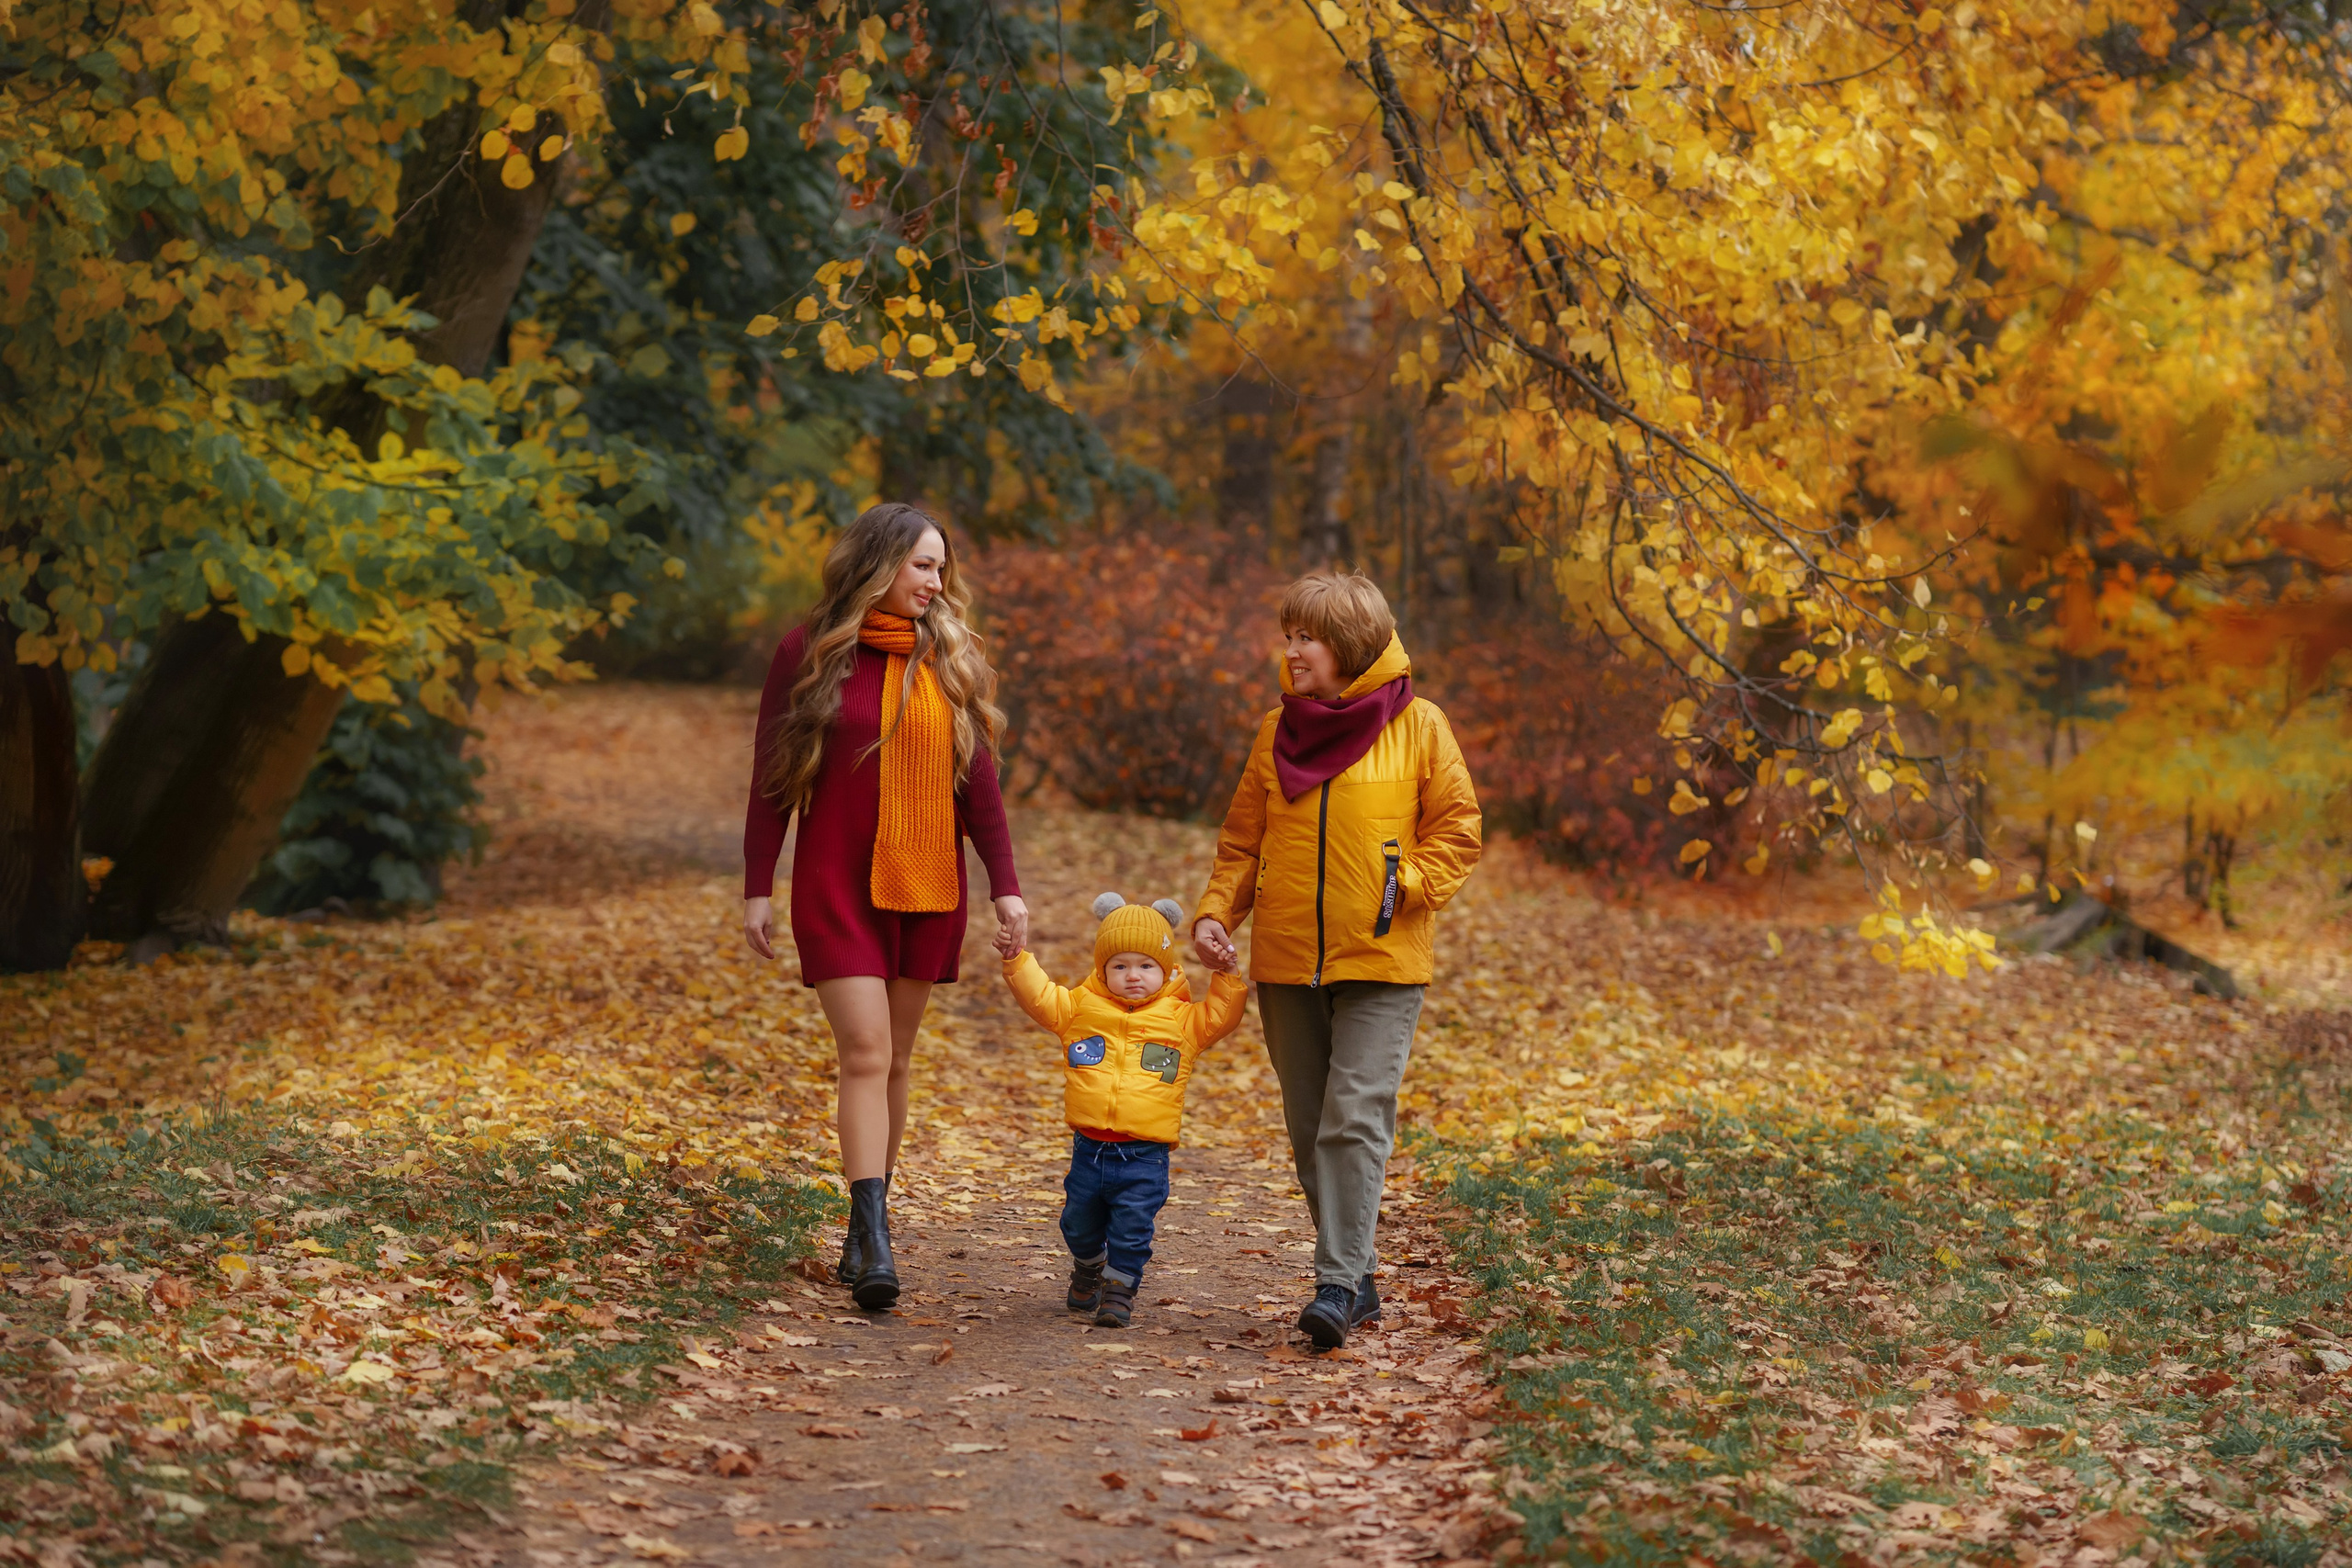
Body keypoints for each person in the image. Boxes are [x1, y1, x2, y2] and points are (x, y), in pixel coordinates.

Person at [742, 502, 1028, 1312]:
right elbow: (773, 773)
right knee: (866, 1051)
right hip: (836, 883)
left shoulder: (951, 655)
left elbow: (979, 782)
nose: (936, 583)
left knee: (897, 1058)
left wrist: (1006, 884)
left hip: (928, 883)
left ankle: (866, 1222)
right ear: (879, 563)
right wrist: (759, 883)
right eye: (922, 565)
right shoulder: (808, 652)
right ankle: (874, 1235)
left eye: (942, 568)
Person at [1190, 571, 1481, 1348]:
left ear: (1349, 645)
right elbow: (1242, 843)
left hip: (1382, 960)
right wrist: (1216, 913)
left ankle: (1337, 1283)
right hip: (1287, 959)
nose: (1292, 652)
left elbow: (1458, 831)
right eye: (1288, 637)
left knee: (1354, 1116)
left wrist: (1402, 885)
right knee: (1310, 1129)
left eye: (1307, 638)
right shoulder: (1274, 732)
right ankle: (1359, 1277)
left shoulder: (1420, 725)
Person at [1003, 893, 1246, 1328]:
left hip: (1145, 1155)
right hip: (1090, 1149)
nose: (1133, 975)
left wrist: (1226, 973)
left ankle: (1119, 1291)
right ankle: (1089, 1266)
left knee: (1132, 1231)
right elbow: (1039, 995)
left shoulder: (1182, 1020)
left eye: (1146, 966)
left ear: (1166, 969)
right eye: (1120, 966)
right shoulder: (1080, 1008)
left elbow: (1222, 1015)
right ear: (1103, 970)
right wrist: (1016, 959)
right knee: (1077, 1224)